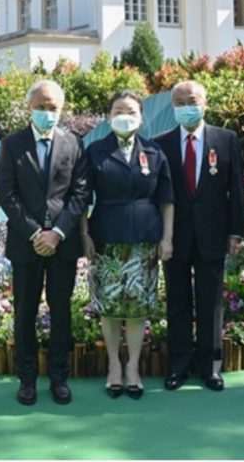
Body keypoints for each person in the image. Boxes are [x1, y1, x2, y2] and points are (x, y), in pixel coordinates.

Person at [0, 79, 88, 406]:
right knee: (25, 313)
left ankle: (59, 377)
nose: (47, 113)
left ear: (61, 110)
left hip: (63, 244)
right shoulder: (12, 144)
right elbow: (7, 194)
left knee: (61, 311)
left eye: (53, 108)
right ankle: (27, 379)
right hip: (26, 243)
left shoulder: (73, 144)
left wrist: (58, 233)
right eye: (41, 107)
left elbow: (79, 194)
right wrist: (36, 232)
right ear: (28, 108)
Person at [155, 80, 244, 393]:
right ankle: (178, 366)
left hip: (213, 233)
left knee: (211, 303)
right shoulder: (160, 143)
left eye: (191, 100)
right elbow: (157, 194)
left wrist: (236, 231)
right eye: (179, 102)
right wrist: (159, 235)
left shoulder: (225, 139)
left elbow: (235, 187)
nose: (186, 107)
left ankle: (211, 367)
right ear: (173, 108)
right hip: (175, 235)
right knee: (177, 302)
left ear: (205, 102)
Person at [82, 90, 174, 399]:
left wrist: (167, 238)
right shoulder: (95, 151)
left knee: (137, 308)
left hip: (145, 240)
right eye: (119, 110)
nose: (125, 115)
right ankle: (113, 366)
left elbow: (166, 199)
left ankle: (132, 366)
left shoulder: (154, 151)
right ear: (108, 116)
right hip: (106, 239)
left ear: (141, 117)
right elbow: (82, 199)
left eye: (131, 110)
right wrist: (84, 234)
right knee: (109, 307)